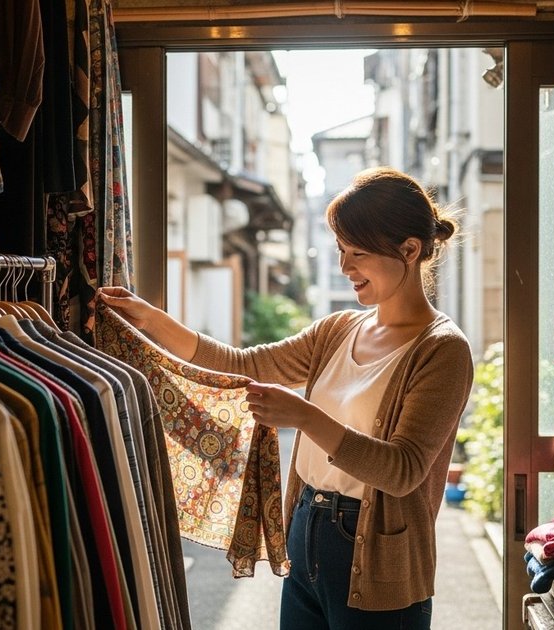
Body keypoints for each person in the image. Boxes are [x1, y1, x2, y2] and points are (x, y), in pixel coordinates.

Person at [99, 166, 474, 629]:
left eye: (357, 253)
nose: (344, 267)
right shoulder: (337, 330)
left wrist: (304, 416)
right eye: (340, 250)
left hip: (377, 557)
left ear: (410, 250)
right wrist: (155, 322)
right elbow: (244, 363)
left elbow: (402, 471)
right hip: (306, 529)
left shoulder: (443, 349)